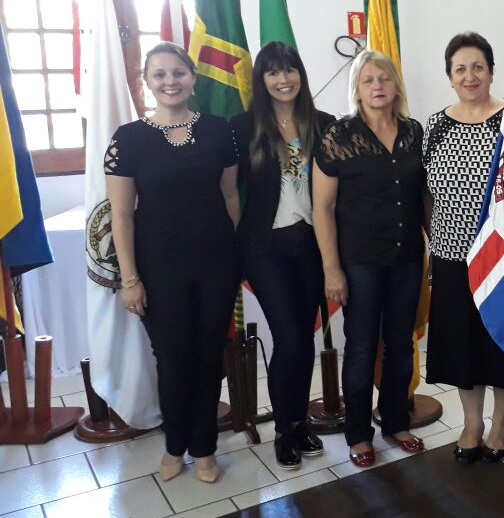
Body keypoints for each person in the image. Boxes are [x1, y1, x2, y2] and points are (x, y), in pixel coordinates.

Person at [106, 42, 240, 484]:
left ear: (193, 78)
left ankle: (204, 448)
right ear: (147, 81)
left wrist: (234, 251)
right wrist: (130, 279)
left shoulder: (219, 131)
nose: (170, 81)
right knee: (171, 357)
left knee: (207, 354)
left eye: (178, 72)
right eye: (160, 74)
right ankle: (173, 444)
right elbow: (121, 215)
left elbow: (230, 196)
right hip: (158, 268)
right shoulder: (129, 138)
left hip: (215, 264)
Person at [312, 50, 426, 468]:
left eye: (384, 78)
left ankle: (395, 421)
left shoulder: (414, 132)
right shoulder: (338, 136)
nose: (377, 86)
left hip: (407, 258)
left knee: (400, 345)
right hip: (359, 262)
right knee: (361, 347)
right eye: (368, 80)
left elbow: (424, 196)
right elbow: (322, 207)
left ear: (396, 85)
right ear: (357, 89)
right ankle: (358, 433)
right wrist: (331, 269)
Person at [231, 42, 335, 471]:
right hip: (265, 247)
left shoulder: (324, 123)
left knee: (304, 340)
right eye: (273, 72)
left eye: (290, 69)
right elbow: (227, 190)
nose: (283, 79)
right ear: (262, 79)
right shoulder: (244, 127)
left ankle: (300, 421)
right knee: (288, 338)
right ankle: (283, 429)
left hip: (311, 244)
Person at [423, 32, 504, 465]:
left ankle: (502, 422)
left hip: (502, 259)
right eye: (460, 68)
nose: (470, 75)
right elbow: (424, 192)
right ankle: (472, 422)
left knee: (500, 343)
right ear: (449, 77)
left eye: (478, 66)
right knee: (461, 343)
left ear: (492, 71)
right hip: (450, 257)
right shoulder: (434, 126)